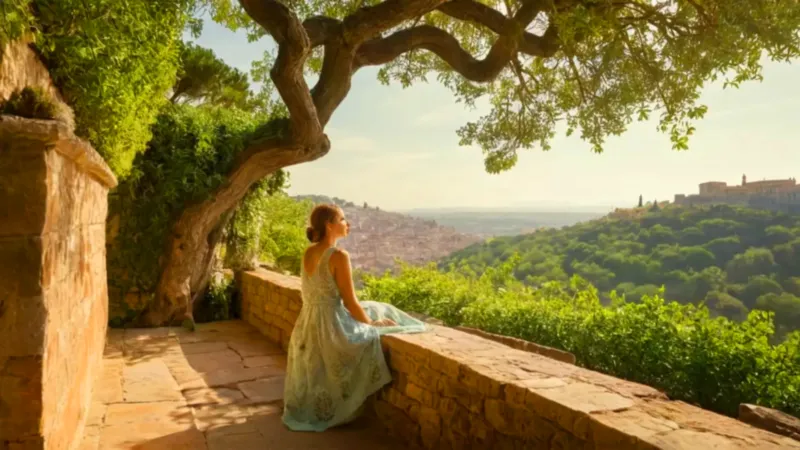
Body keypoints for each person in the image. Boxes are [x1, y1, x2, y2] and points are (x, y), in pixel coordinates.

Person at [282, 203, 428, 432]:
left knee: (375, 306)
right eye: (342, 219)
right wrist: (371, 325)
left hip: (307, 324)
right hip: (331, 326)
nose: (347, 223)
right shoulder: (338, 255)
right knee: (381, 314)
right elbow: (350, 302)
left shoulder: (309, 252)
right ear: (329, 226)